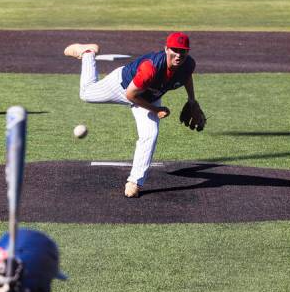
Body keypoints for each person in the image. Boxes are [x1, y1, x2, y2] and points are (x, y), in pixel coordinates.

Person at [64, 33, 207, 198]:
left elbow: (186, 75)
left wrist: (192, 100)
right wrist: (155, 110)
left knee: (150, 134)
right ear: (166, 49)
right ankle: (87, 53)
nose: (179, 55)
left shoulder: (188, 64)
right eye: (175, 50)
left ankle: (135, 182)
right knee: (86, 94)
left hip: (149, 96)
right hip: (123, 87)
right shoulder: (151, 68)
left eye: (183, 51)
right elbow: (131, 95)